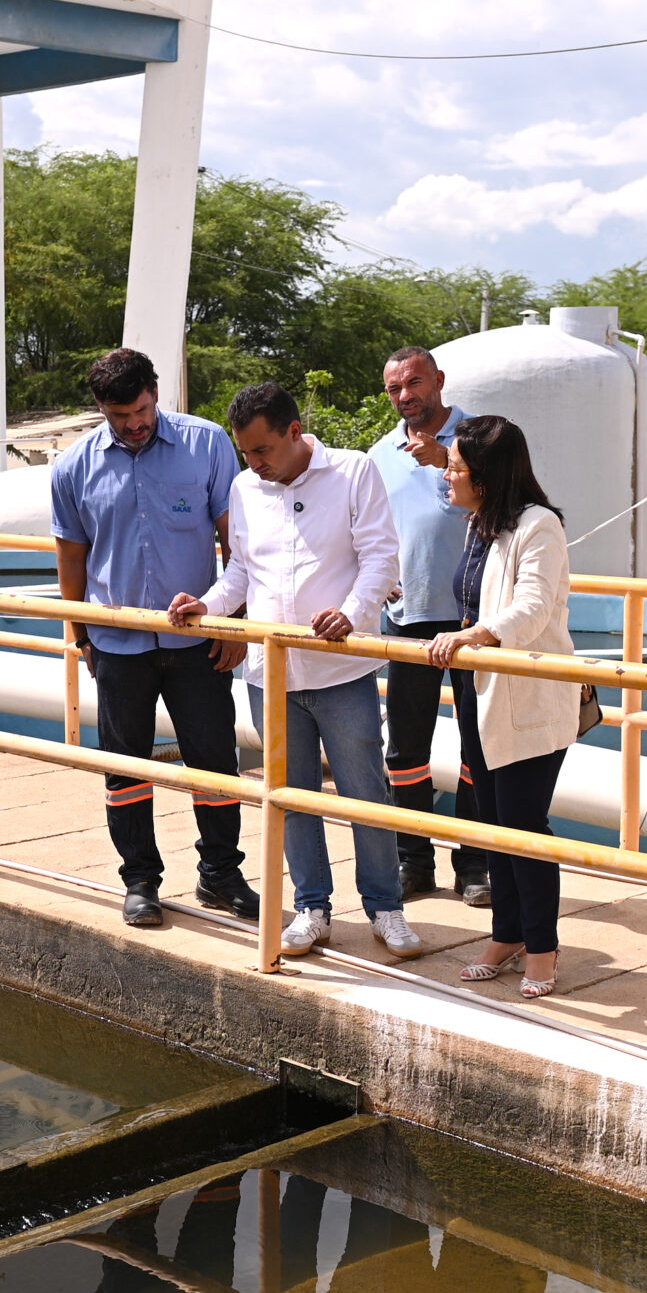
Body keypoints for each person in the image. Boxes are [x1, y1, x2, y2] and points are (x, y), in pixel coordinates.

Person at [166, 380, 424, 958]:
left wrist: (353, 614)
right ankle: (312, 907)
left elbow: (382, 556)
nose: (255, 465)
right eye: (246, 453)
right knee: (289, 794)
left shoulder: (353, 472)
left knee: (363, 793)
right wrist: (208, 604)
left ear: (294, 432)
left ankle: (386, 907)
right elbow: (241, 575)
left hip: (340, 670)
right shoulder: (244, 486)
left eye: (263, 451)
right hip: (269, 673)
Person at [51, 347, 258, 930]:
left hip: (199, 642)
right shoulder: (73, 467)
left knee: (215, 762)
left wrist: (235, 621)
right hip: (117, 644)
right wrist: (79, 631)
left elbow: (235, 543)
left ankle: (220, 874)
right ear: (100, 409)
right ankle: (140, 880)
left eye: (141, 410)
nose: (134, 424)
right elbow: (72, 551)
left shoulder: (207, 443)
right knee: (125, 766)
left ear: (155, 393)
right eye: (119, 416)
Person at [423, 415, 578, 999]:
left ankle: (542, 947)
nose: (448, 477)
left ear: (485, 475)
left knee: (523, 826)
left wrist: (475, 635)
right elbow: (470, 597)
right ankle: (507, 933)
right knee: (491, 820)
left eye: (456, 468)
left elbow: (534, 607)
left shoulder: (540, 527)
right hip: (479, 691)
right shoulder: (480, 524)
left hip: (526, 696)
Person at [369, 346, 488, 907]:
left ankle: (474, 866)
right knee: (406, 749)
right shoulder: (379, 454)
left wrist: (445, 459)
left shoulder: (483, 440)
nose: (405, 396)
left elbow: (506, 504)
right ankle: (412, 862)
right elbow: (367, 530)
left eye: (414, 383)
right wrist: (375, 576)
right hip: (407, 618)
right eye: (395, 388)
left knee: (478, 748)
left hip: (473, 620)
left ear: (438, 380)